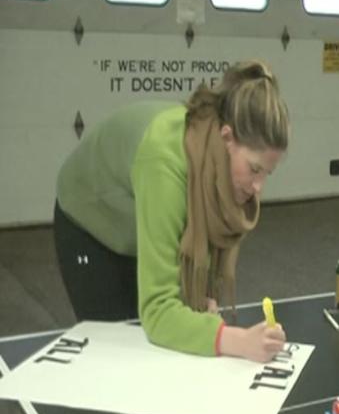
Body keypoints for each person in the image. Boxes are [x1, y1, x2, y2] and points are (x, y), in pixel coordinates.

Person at [53, 60, 290, 363]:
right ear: (227, 138)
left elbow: (194, 242)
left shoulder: (213, 159)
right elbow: (157, 311)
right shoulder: (164, 166)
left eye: (266, 174)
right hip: (89, 221)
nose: (258, 187)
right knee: (115, 357)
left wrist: (203, 296)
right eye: (254, 169)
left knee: (174, 340)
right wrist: (239, 341)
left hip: (140, 210)